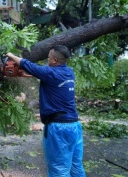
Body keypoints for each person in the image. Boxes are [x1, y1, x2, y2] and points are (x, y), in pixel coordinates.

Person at [6, 45, 85, 177]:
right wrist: (26, 73)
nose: (47, 60)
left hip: (59, 128)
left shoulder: (50, 73)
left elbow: (30, 65)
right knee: (76, 167)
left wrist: (10, 55)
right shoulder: (69, 72)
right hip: (75, 126)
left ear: (54, 60)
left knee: (59, 170)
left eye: (48, 57)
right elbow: (42, 72)